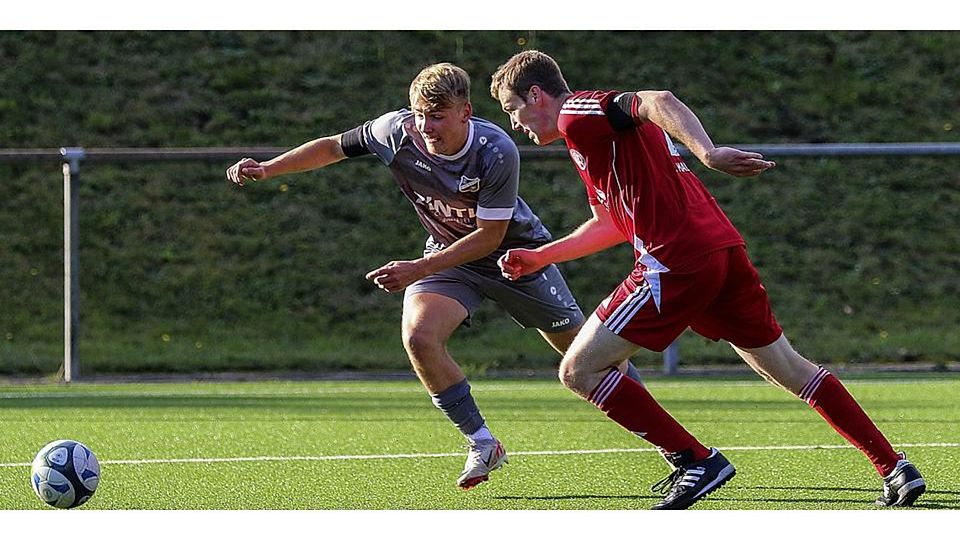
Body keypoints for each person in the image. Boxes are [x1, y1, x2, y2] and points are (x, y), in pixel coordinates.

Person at [489, 50, 926, 510]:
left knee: (579, 370)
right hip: (720, 250)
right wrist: (542, 256)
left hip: (675, 260)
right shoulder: (592, 143)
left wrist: (709, 152)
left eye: (512, 109)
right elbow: (612, 224)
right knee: (789, 368)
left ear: (536, 94)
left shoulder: (578, 114)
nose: (515, 123)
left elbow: (657, 99)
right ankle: (894, 467)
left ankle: (695, 460)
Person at [226, 62, 643, 490]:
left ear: (466, 111)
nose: (426, 126)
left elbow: (489, 236)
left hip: (516, 256)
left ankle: (669, 443)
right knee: (420, 336)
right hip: (447, 259)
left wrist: (417, 270)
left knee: (591, 359)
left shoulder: (496, 150)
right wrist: (269, 168)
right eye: (420, 114)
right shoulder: (396, 131)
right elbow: (333, 147)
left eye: (438, 116)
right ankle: (482, 442)